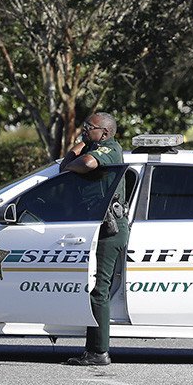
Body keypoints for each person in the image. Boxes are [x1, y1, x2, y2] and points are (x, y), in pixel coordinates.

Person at [60, 112, 128, 366]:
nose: (84, 129)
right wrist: (81, 143)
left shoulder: (110, 149)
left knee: (100, 289)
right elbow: (65, 165)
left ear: (105, 133)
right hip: (96, 227)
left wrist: (79, 154)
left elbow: (87, 164)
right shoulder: (93, 146)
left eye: (90, 127)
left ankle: (98, 352)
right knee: (95, 288)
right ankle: (94, 350)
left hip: (110, 228)